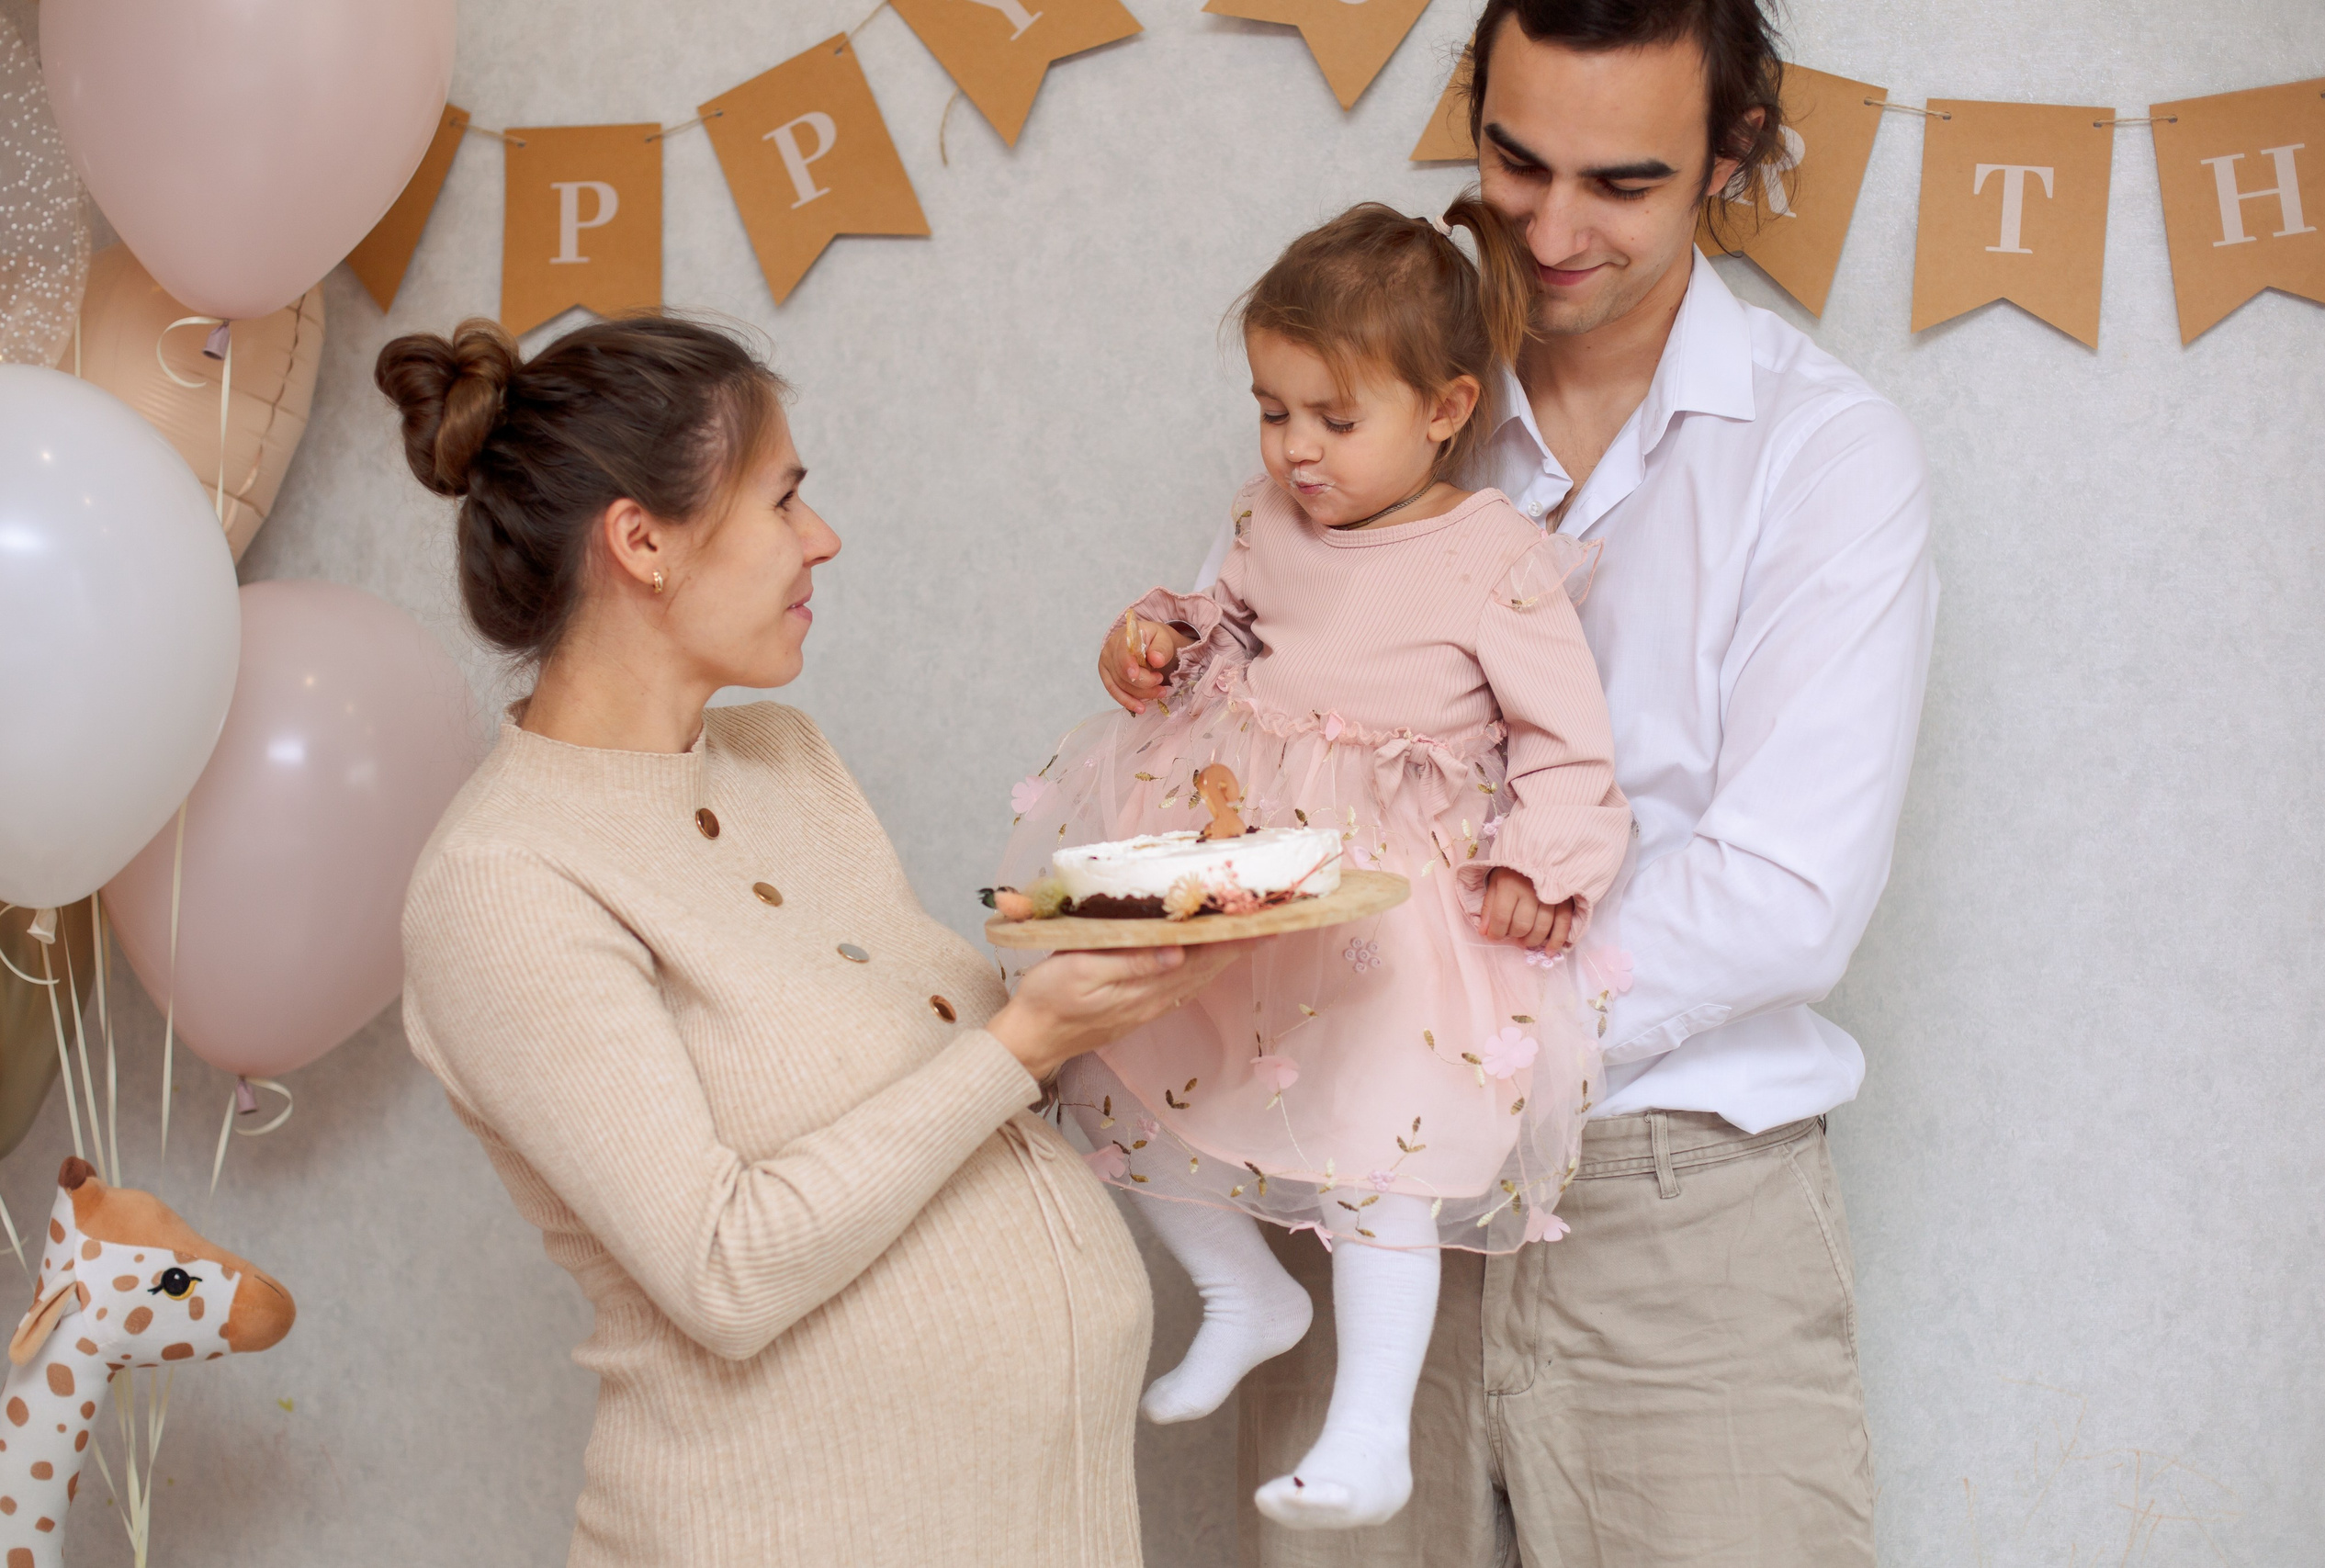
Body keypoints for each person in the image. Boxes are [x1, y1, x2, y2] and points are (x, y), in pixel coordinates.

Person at [1160, 2, 1937, 1562]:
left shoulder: (1825, 457)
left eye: (1624, 184)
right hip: (1347, 1176)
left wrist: (1447, 1028)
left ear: (1732, 159)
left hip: (1674, 1206)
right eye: (1515, 163)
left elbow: (1784, 901)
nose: (1557, 230)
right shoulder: (1370, 399)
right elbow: (1241, 729)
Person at [384, 314, 1239, 1568]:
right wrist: (1024, 1040)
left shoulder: (783, 761)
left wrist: (1109, 985)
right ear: (643, 542)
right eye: (784, 498)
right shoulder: (505, 881)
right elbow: (723, 1269)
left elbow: (933, 1104)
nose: (821, 537)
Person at [1009, 198, 1631, 1533]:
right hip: (1247, 864)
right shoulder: (1265, 521)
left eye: (1334, 421)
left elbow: (1570, 746)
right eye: (1272, 411)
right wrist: (1149, 639)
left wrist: (1541, 860)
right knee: (1104, 1055)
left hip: (1393, 915)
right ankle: (1247, 1290)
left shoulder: (1493, 562)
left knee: (1378, 1159)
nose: (1296, 449)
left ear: (1447, 407)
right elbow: (1210, 625)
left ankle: (1372, 1432)